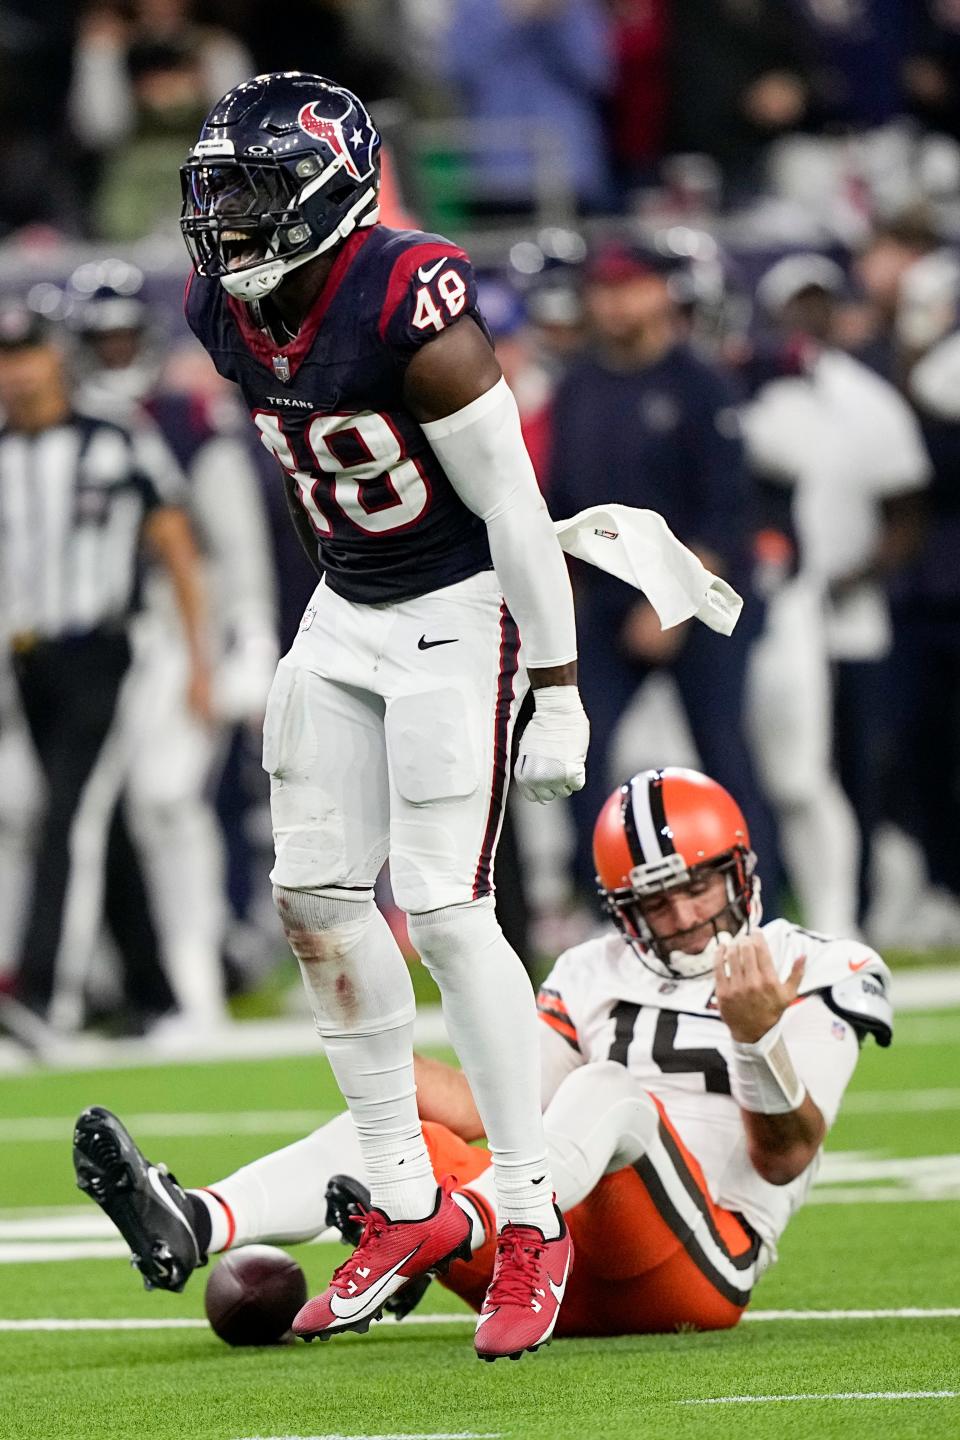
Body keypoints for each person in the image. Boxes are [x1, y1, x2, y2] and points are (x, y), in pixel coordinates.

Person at [174, 69, 592, 1361]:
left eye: (253, 196)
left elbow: (514, 508)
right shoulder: (221, 309)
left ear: (330, 193)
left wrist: (561, 688)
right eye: (219, 196)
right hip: (344, 606)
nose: (228, 225)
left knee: (448, 910)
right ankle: (406, 1202)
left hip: (461, 611)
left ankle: (527, 1215)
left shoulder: (412, 302)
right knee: (314, 899)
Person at [74, 766, 892, 1341]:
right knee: (401, 1131)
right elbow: (508, 1108)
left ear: (741, 872)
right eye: (653, 900)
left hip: (701, 1265)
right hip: (543, 1278)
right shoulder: (589, 970)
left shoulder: (821, 965)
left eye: (697, 887)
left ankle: (452, 1228)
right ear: (619, 907)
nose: (679, 916)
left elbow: (785, 1159)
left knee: (612, 1088)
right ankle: (194, 1220)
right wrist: (385, 1066)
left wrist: (757, 1041)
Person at [67, 260, 280, 1037]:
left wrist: (249, 640)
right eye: (104, 340)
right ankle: (105, 982)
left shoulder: (188, 418)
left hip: (180, 630)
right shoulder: (58, 427)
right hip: (91, 640)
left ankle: (196, 980)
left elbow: (237, 544)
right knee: (71, 816)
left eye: (125, 336)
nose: (118, 352)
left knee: (171, 803)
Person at [0, 301, 210, 1031]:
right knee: (100, 820)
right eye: (5, 359)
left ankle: (40, 996)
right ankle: (154, 993)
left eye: (26, 355)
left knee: (68, 816)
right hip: (28, 659)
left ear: (54, 357)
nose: (16, 373)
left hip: (105, 651)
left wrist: (201, 659)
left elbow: (176, 538)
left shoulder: (115, 433)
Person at [547, 238, 776, 901]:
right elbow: (564, 507)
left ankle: (757, 899)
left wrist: (670, 602)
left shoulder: (700, 385)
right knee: (576, 756)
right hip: (609, 600)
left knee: (725, 753)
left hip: (697, 597)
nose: (614, 301)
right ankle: (610, 906)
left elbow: (726, 514)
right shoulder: (578, 388)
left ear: (661, 292)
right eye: (603, 288)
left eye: (629, 286)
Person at [750, 254, 931, 920]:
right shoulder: (754, 392)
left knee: (856, 765)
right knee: (778, 769)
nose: (809, 314)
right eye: (796, 300)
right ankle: (786, 904)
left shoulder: (865, 397)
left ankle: (852, 911)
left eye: (819, 299)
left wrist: (860, 574)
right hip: (772, 606)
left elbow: (907, 505)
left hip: (850, 613)